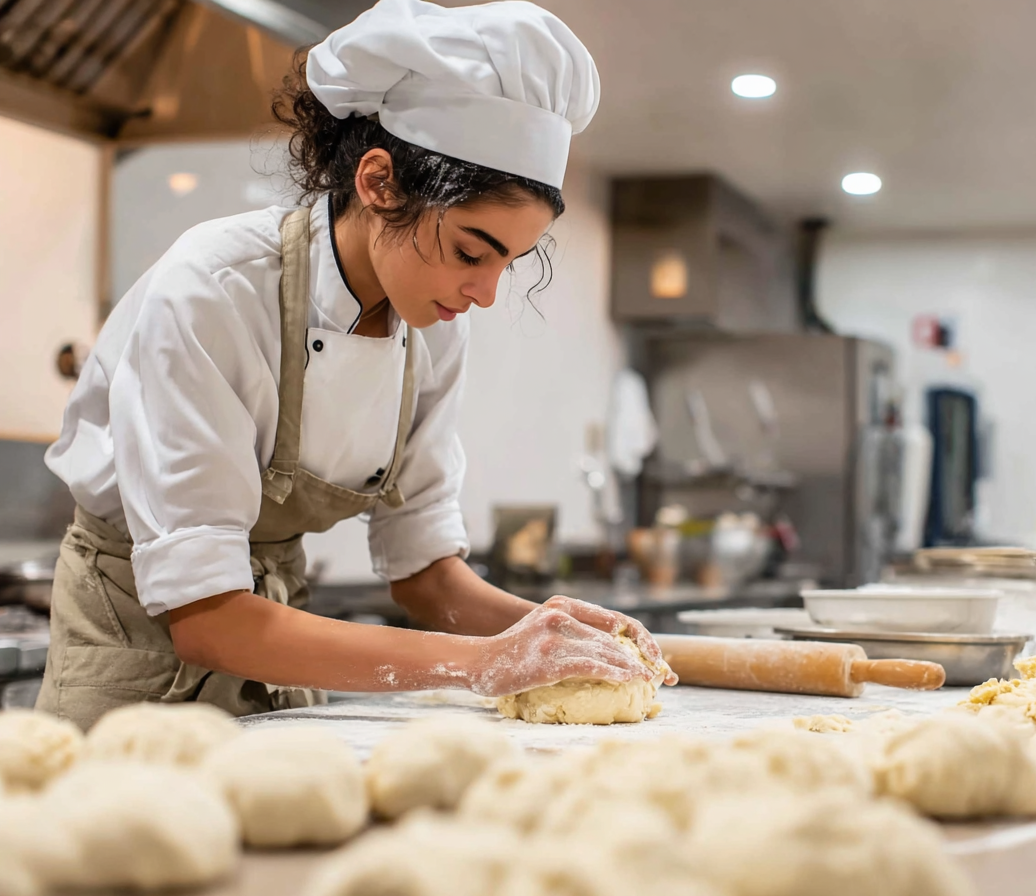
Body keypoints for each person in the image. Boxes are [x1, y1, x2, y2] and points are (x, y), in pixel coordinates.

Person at [37, 0, 674, 730]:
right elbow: (208, 619)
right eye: (471, 251)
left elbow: (425, 576)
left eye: (509, 263)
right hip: (134, 655)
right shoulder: (215, 289)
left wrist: (553, 633)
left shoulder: (432, 329)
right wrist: (481, 663)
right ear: (379, 183)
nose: (486, 293)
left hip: (279, 647)